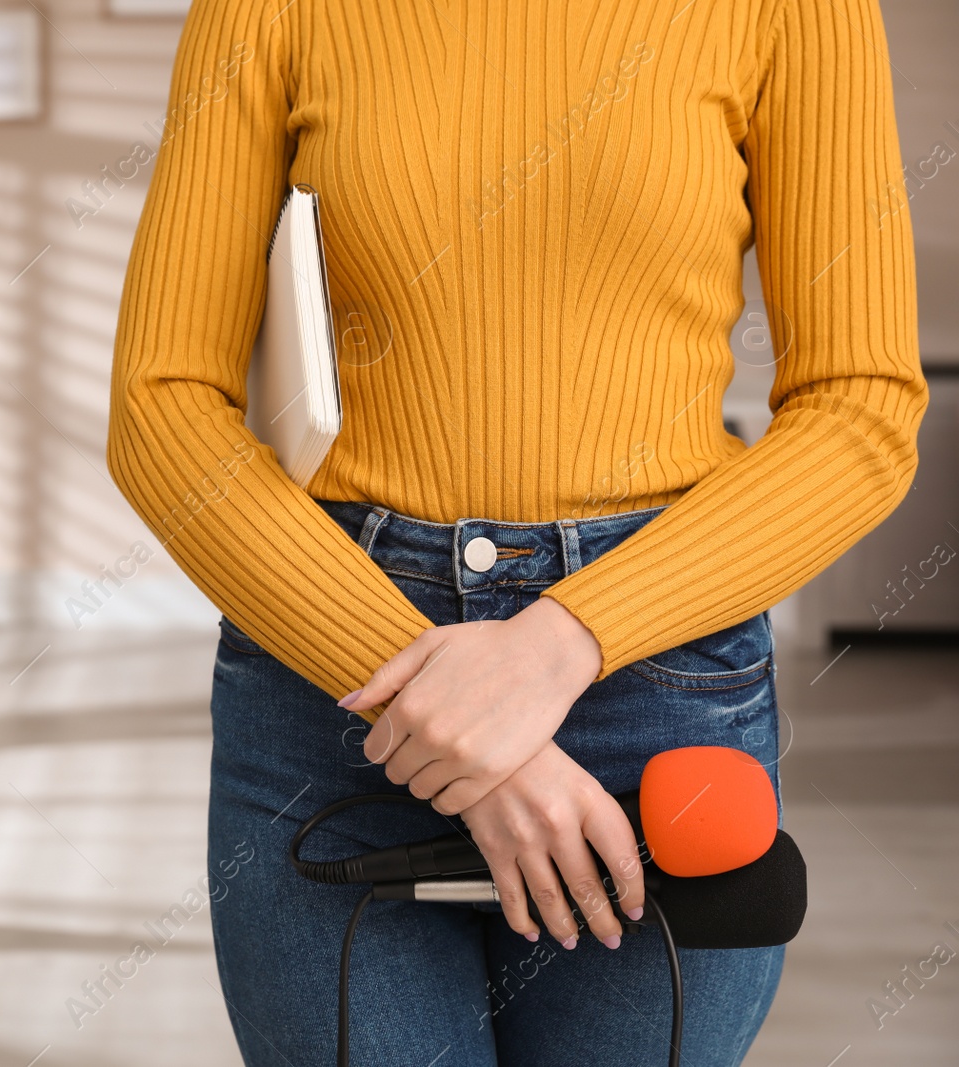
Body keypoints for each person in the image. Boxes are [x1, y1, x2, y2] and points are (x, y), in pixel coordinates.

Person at [106, 0, 925, 1062]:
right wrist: (452, 718)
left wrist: (559, 643)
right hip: (335, 681)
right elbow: (160, 404)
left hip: (657, 691)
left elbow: (859, 408)